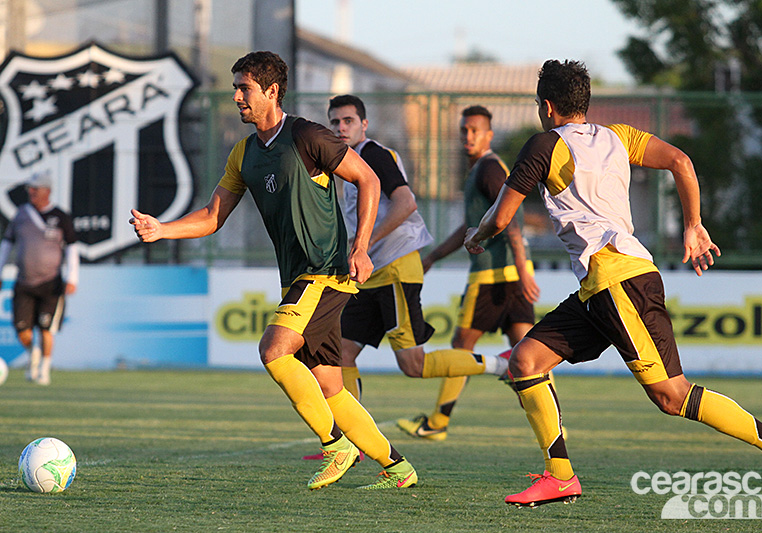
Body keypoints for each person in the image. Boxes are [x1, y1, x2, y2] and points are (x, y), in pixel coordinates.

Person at [462, 59, 762, 510]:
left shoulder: (543, 145)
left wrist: (477, 235)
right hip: (600, 287)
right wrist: (694, 224)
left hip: (619, 282)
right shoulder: (617, 136)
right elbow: (680, 160)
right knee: (526, 361)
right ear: (584, 101)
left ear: (547, 106)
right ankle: (560, 477)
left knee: (671, 396)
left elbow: (501, 216)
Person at [129, 52, 417, 491]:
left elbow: (370, 180)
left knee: (272, 350)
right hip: (297, 277)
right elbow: (212, 215)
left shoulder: (307, 136)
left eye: (243, 88)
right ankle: (398, 468)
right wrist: (162, 229)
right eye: (236, 88)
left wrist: (360, 247)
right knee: (330, 387)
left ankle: (335, 445)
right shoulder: (244, 152)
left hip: (326, 270)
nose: (236, 96)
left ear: (271, 91)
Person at [299, 96, 513, 458]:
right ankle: (352, 441)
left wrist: (363, 243)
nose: (341, 129)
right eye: (334, 123)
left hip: (396, 268)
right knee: (341, 355)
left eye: (348, 121)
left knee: (414, 365)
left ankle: (502, 364)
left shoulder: (376, 155)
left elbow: (406, 203)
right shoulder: (344, 163)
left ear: (363, 125)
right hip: (371, 272)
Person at [397, 105, 540, 441]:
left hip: (491, 278)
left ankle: (437, 423)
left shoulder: (489, 168)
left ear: (489, 134)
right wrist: (433, 256)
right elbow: (471, 225)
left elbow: (512, 218)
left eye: (475, 130)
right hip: (511, 278)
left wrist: (521, 263)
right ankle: (551, 426)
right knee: (528, 358)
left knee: (461, 349)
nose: (468, 136)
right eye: (464, 130)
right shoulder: (480, 170)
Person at [0, 170, 79, 386]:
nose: (31, 192)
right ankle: (32, 352)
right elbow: (7, 243)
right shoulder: (21, 214)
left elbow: (72, 248)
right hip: (24, 281)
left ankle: (44, 369)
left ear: (47, 191)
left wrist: (72, 277)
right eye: (30, 189)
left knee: (46, 329)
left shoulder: (60, 217)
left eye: (35, 189)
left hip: (51, 282)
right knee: (22, 330)